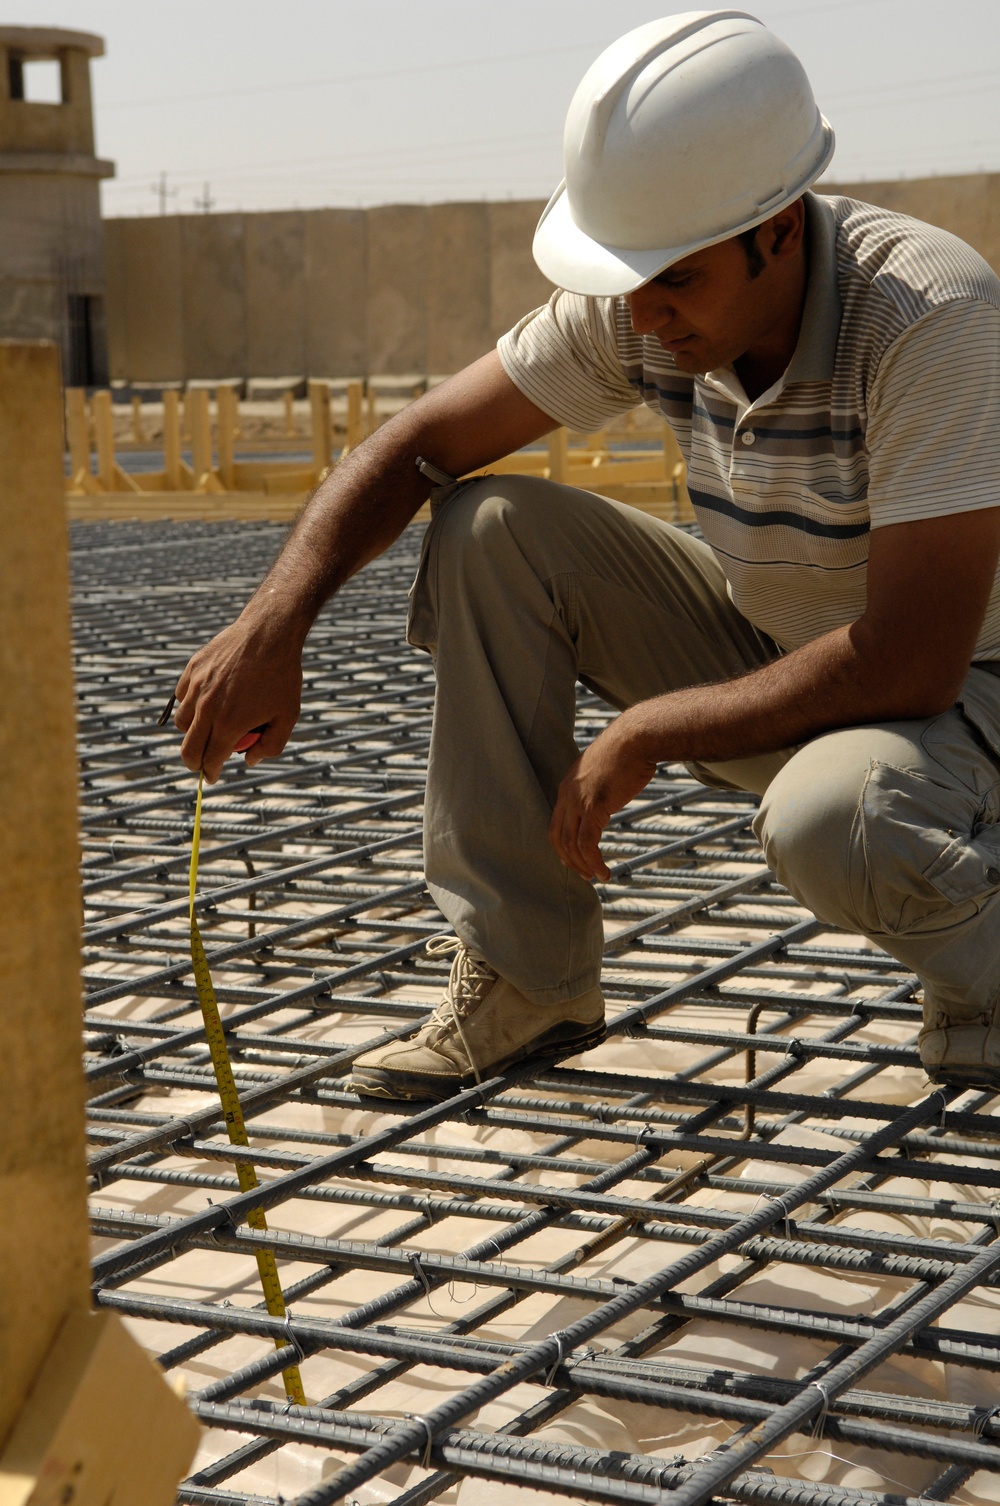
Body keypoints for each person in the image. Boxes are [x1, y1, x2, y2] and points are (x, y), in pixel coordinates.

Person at [171, 12, 1000, 1102]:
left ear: (782, 229)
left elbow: (911, 663)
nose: (645, 318)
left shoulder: (925, 315)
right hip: (787, 645)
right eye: (627, 280)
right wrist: (274, 624)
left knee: (836, 822)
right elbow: (416, 445)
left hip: (961, 698)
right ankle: (528, 978)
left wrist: (652, 724)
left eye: (677, 283)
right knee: (492, 529)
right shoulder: (643, 307)